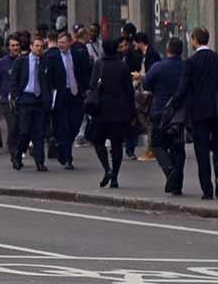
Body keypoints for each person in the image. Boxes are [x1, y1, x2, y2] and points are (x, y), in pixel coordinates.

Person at [185, 27, 218, 200]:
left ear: (195, 40)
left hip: (199, 112)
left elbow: (184, 87)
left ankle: (207, 188)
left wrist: (176, 104)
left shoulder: (191, 62)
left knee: (202, 150)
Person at [85, 35, 136, 188]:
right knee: (117, 144)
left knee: (98, 141)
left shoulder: (99, 64)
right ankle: (115, 176)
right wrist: (132, 112)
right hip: (120, 111)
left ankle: (107, 168)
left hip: (101, 111)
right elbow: (129, 91)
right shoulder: (122, 66)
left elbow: (93, 86)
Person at [142, 37, 190, 195]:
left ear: (168, 50)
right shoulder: (186, 67)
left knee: (157, 144)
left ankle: (170, 170)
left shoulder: (158, 67)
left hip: (160, 112)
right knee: (178, 147)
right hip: (180, 113)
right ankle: (178, 185)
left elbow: (146, 84)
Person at [11, 35, 60, 171]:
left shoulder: (45, 62)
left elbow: (50, 81)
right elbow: (14, 80)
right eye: (36, 46)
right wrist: (16, 97)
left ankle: (40, 162)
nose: (39, 49)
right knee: (24, 132)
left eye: (41, 46)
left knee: (38, 133)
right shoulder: (22, 61)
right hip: (25, 99)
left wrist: (48, 99)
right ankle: (17, 155)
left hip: (39, 100)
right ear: (31, 47)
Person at [51, 31, 91, 167]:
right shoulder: (53, 57)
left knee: (75, 124)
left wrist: (86, 90)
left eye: (63, 42)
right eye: (59, 42)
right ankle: (68, 158)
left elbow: (85, 73)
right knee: (64, 126)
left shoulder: (78, 55)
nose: (60, 45)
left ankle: (63, 148)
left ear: (69, 43)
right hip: (61, 94)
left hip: (76, 94)